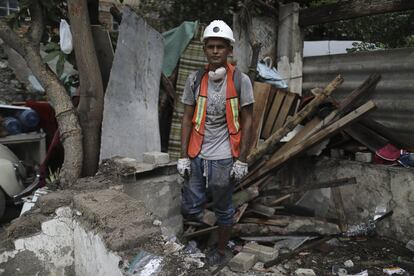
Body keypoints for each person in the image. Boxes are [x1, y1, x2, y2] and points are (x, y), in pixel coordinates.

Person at [177, 20, 254, 266]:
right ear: (204, 49)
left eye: (220, 46)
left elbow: (249, 120)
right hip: (197, 150)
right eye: (210, 46)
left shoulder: (241, 80)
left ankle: (220, 250)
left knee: (223, 205)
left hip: (224, 153)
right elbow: (187, 118)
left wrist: (242, 159)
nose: (215, 51)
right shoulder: (195, 79)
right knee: (192, 203)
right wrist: (183, 155)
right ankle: (198, 241)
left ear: (229, 49)